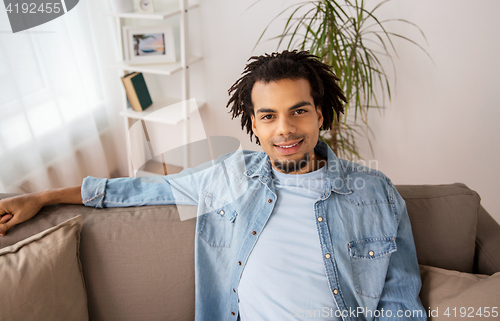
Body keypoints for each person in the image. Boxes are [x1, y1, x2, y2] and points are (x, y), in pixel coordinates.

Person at [0, 50, 426, 321]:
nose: (285, 129)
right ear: (253, 125)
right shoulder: (229, 176)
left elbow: (400, 300)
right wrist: (44, 196)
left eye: (299, 111)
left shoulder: (375, 193)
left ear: (321, 115)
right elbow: (140, 190)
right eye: (268, 116)